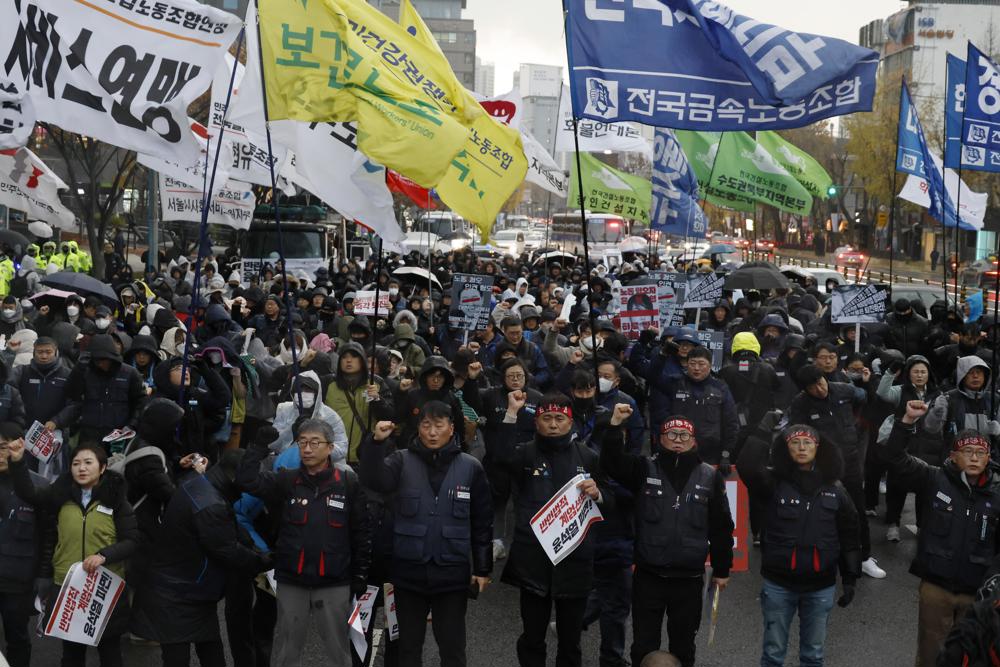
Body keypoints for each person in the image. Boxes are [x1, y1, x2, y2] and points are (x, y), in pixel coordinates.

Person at [360, 402, 493, 667]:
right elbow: (374, 481)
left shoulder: (471, 467)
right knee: (408, 649)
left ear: (451, 428)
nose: (432, 432)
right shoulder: (400, 459)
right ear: (418, 428)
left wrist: (483, 568)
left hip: (452, 573)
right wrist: (375, 443)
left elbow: (482, 521)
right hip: (408, 572)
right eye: (426, 425)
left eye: (439, 425)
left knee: (453, 648)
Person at [601, 411, 734, 667]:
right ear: (661, 438)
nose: (677, 439)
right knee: (642, 645)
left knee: (684, 646)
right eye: (671, 434)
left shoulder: (710, 476)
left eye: (684, 435)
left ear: (693, 440)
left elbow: (721, 527)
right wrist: (614, 427)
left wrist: (722, 569)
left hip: (689, 579)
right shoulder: (642, 468)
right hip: (648, 576)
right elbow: (611, 463)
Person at [236, 420, 372, 667]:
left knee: (339, 652)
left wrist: (361, 574)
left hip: (334, 581)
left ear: (330, 447)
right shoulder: (286, 480)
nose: (307, 448)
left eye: (314, 442)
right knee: (287, 651)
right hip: (291, 581)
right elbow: (247, 481)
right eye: (302, 442)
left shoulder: (348, 483)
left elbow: (360, 533)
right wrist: (256, 447)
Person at [495, 390, 613, 667]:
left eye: (559, 418)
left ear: (570, 423)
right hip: (533, 562)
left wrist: (598, 494)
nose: (553, 424)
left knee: (570, 642)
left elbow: (613, 502)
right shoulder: (525, 454)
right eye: (546, 418)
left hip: (575, 564)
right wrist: (511, 413)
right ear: (536, 422)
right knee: (532, 638)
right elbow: (499, 459)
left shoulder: (588, 457)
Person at [881, 400, 1000, 666]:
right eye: (967, 451)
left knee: (971, 656)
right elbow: (895, 459)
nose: (973, 457)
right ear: (953, 456)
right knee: (931, 655)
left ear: (989, 457)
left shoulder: (997, 493)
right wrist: (907, 422)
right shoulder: (934, 478)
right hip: (936, 588)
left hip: (977, 594)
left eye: (980, 453)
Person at [130, 450, 270, 667]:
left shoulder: (201, 483)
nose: (254, 484)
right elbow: (227, 550)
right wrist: (265, 562)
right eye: (250, 477)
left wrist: (254, 549)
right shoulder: (211, 504)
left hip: (189, 590)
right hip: (178, 594)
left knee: (210, 654)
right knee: (181, 659)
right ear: (235, 477)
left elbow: (231, 527)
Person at [737, 424, 861, 667]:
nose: (802, 447)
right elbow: (748, 468)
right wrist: (761, 430)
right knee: (773, 654)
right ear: (786, 449)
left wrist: (850, 578)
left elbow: (849, 535)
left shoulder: (836, 489)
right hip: (778, 585)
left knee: (813, 655)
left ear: (818, 448)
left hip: (820, 587)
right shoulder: (773, 483)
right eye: (795, 442)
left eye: (808, 442)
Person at [8, 440, 138, 667]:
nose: (82, 468)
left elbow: (132, 541)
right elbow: (28, 492)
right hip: (68, 584)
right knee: (71, 655)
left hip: (103, 588)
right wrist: (18, 461)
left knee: (109, 652)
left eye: (88, 462)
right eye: (76, 463)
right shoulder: (60, 494)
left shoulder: (116, 499)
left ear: (103, 467)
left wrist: (104, 555)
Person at [789, 365, 883, 579]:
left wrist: (857, 421)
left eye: (821, 383)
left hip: (849, 461)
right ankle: (825, 557)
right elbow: (796, 432)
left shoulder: (844, 389)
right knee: (823, 512)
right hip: (822, 465)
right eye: (813, 388)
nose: (820, 390)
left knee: (857, 509)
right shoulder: (800, 403)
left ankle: (864, 556)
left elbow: (866, 397)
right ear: (804, 389)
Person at [652, 346, 739, 465]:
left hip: (710, 455)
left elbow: (731, 424)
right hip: (678, 451)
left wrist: (726, 455)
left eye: (701, 364)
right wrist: (662, 355)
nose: (696, 368)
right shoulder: (675, 383)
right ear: (687, 364)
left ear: (710, 365)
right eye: (692, 363)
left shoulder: (720, 388)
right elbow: (653, 376)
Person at [0, 423, 40, 667]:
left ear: (19, 446)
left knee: (17, 639)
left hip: (18, 583)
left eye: (3, 446)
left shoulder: (37, 486)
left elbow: (47, 537)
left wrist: (42, 578)